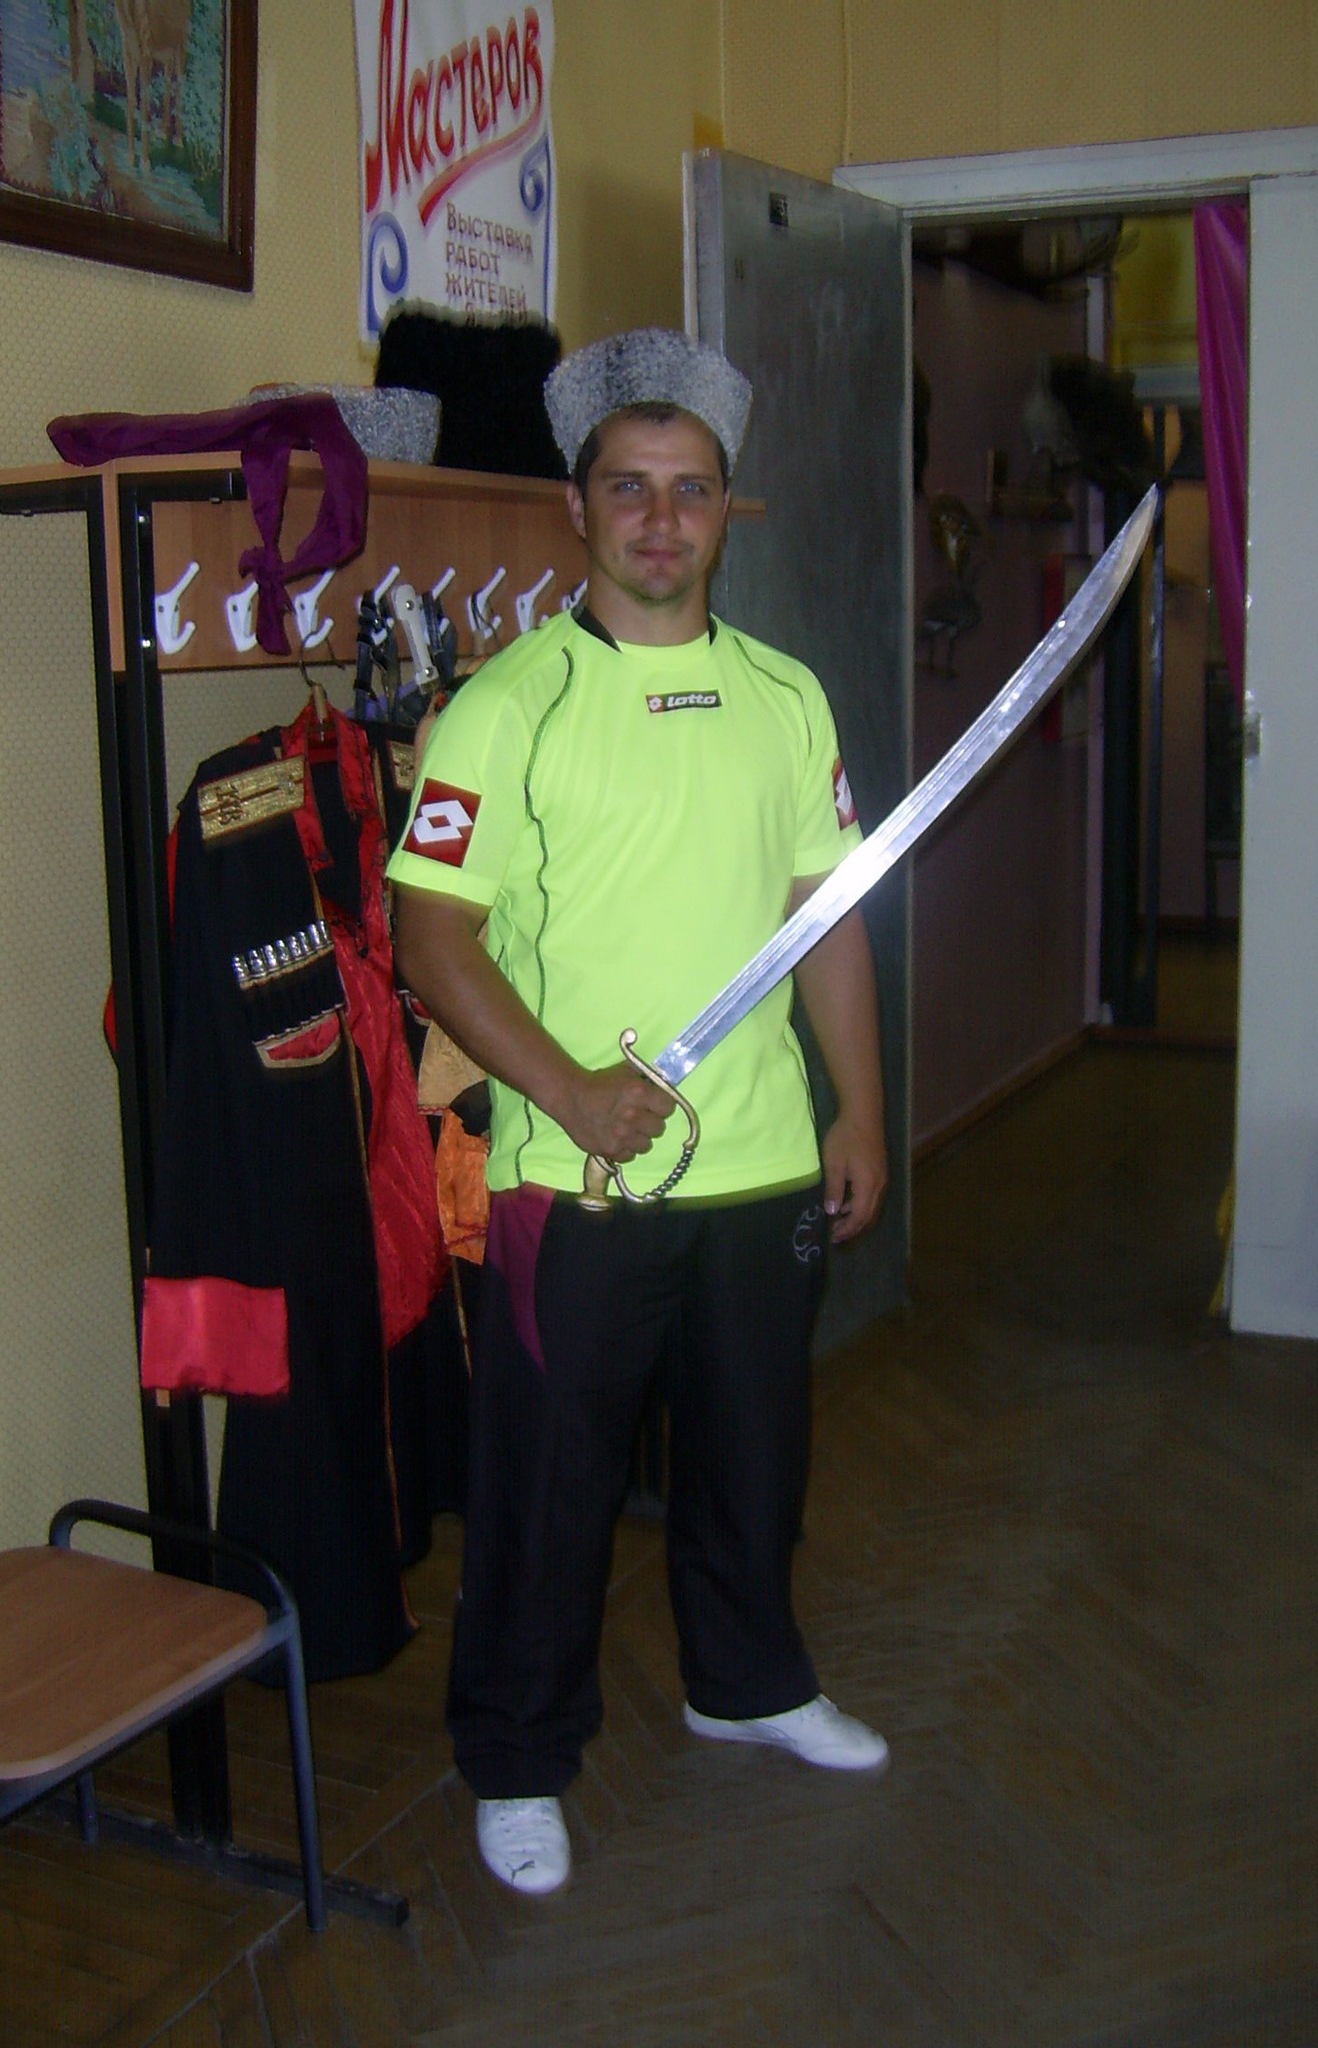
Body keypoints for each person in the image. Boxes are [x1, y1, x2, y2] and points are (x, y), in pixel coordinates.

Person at [388, 327, 889, 1897]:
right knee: (550, 1488)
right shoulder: (506, 707)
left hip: (763, 1166)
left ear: (728, 510)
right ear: (578, 507)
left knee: (755, 1459)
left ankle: (749, 1682)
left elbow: (827, 922)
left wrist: (859, 1111)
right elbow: (429, 939)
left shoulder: (788, 699)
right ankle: (516, 1757)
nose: (662, 520)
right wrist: (568, 1089)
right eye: (630, 488)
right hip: (574, 1183)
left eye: (691, 491)